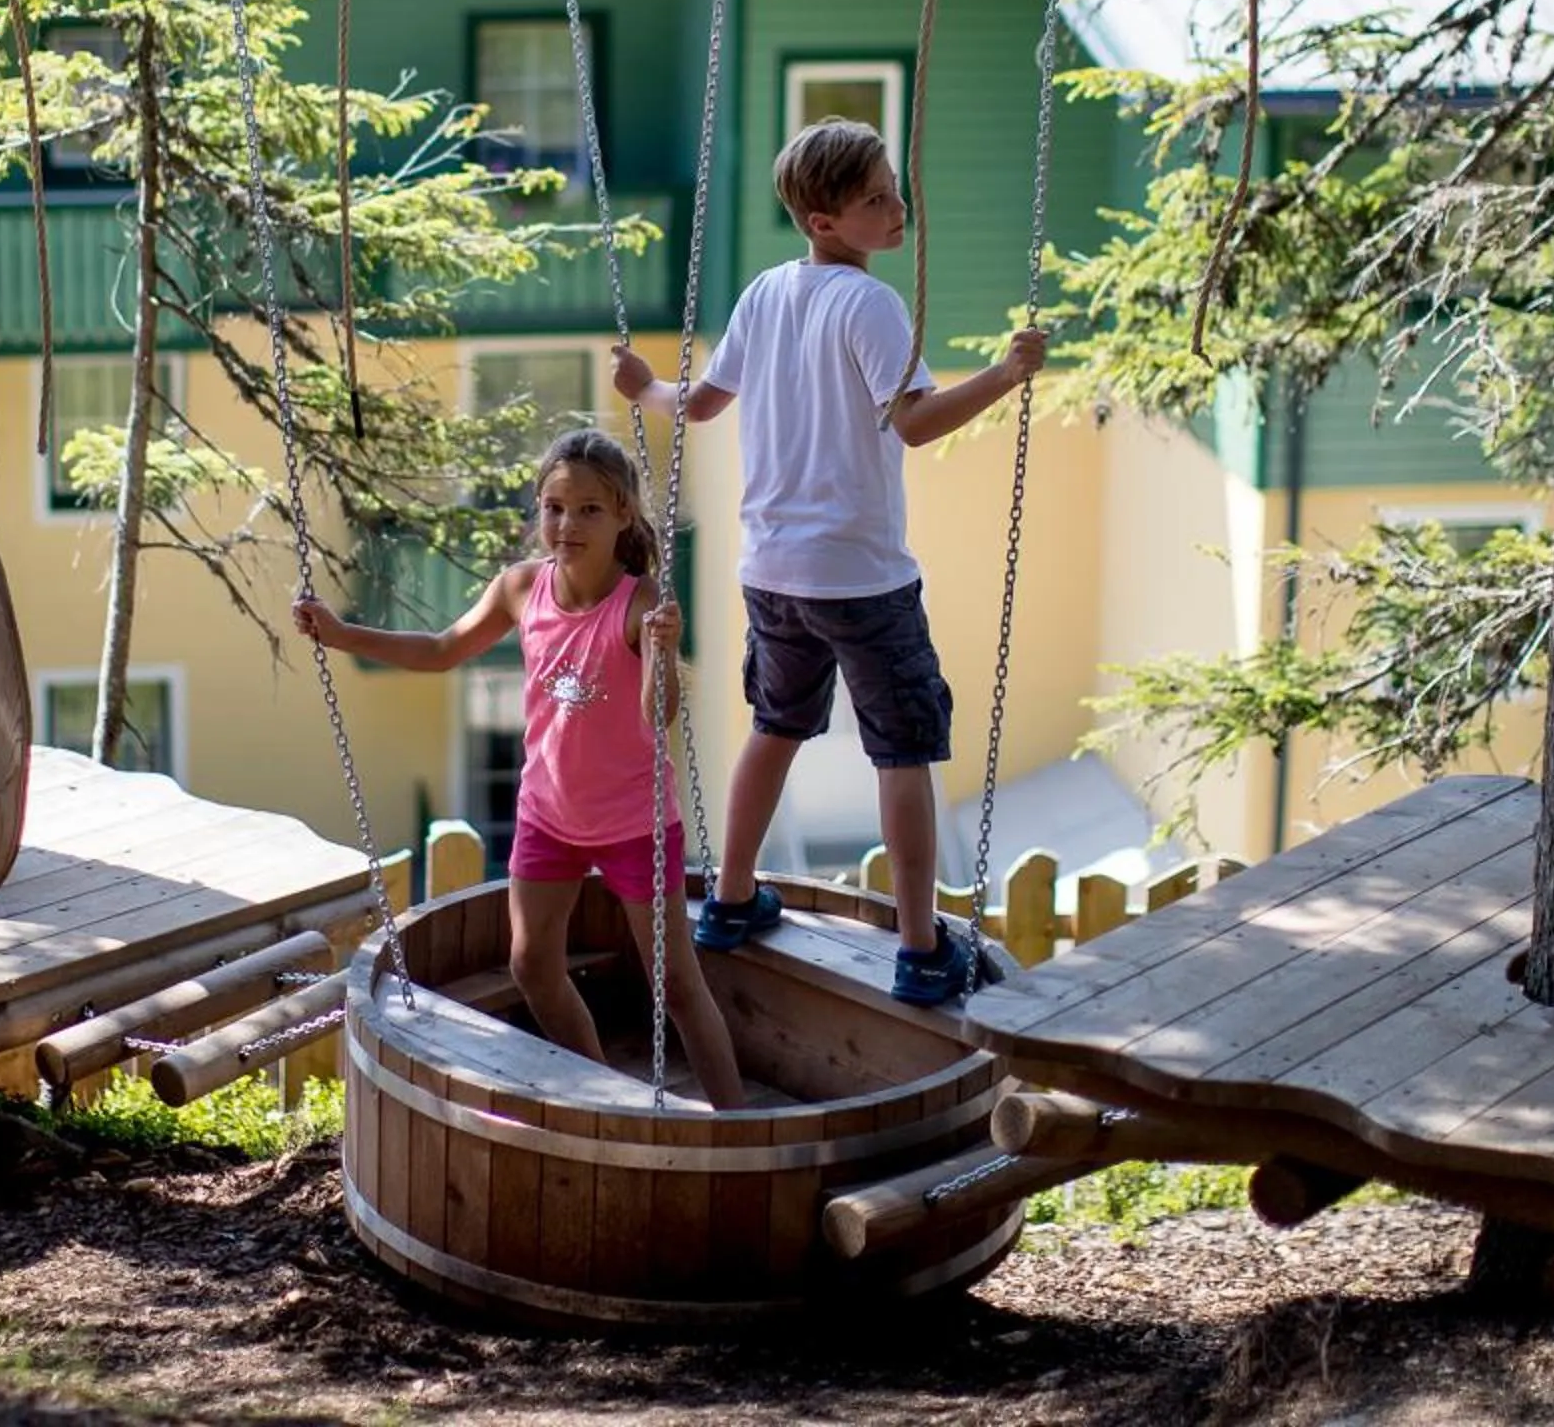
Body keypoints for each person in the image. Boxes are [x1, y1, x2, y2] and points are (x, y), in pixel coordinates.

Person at [612, 117, 1046, 1004]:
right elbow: (916, 423)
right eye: (876, 199)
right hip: (862, 579)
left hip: (771, 573)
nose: (898, 209)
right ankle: (924, 950)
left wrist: (641, 386)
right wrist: (1006, 374)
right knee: (902, 753)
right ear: (822, 220)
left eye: (895, 189)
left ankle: (730, 897)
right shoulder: (870, 305)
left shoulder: (765, 293)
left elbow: (696, 405)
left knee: (774, 728)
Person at [291, 428, 748, 1109]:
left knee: (677, 986)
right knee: (531, 965)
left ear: (624, 515)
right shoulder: (519, 588)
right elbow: (443, 648)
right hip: (547, 818)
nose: (567, 525)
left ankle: (736, 1124)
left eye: (590, 509)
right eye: (555, 507)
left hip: (633, 825)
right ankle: (608, 1097)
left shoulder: (640, 604)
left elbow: (660, 713)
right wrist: (344, 633)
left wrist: (661, 650)